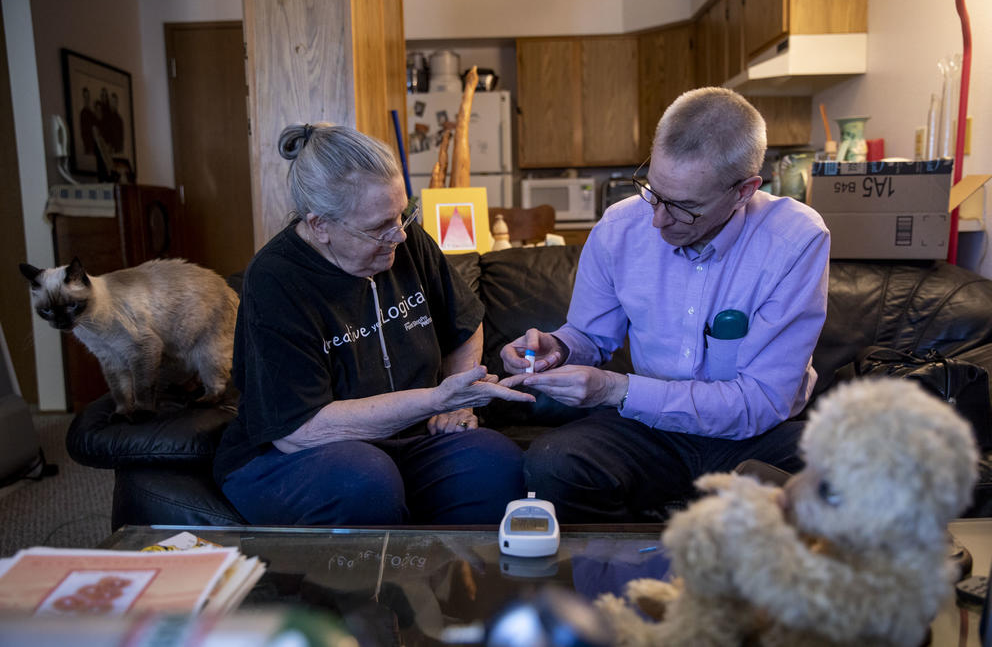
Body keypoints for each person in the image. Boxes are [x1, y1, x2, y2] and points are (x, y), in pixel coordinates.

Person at [499, 87, 830, 523]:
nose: (657, 220)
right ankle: (619, 585)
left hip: (756, 433)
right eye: (653, 192)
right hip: (649, 429)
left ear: (744, 191)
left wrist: (617, 389)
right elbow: (590, 336)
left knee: (850, 482)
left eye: (686, 207)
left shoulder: (796, 240)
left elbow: (759, 402)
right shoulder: (621, 226)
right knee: (552, 465)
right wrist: (558, 348)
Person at [215, 122, 534, 525]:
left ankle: (462, 586)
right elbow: (299, 430)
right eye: (378, 227)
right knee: (365, 480)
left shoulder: (406, 240)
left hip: (408, 439)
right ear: (320, 226)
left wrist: (459, 401)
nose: (398, 235)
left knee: (496, 464)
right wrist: (437, 399)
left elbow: (465, 323)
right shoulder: (276, 279)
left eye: (402, 214)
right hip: (299, 455)